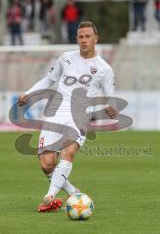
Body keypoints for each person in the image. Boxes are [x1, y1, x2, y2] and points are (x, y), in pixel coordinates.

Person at [18, 21, 117, 212]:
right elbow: (49, 79)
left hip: (79, 116)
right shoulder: (65, 58)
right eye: (80, 36)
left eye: (88, 36)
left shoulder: (104, 69)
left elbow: (111, 98)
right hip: (55, 112)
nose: (84, 40)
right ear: (77, 39)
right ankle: (73, 193)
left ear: (96, 39)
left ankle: (50, 196)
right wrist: (28, 93)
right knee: (47, 165)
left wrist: (111, 108)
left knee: (67, 153)